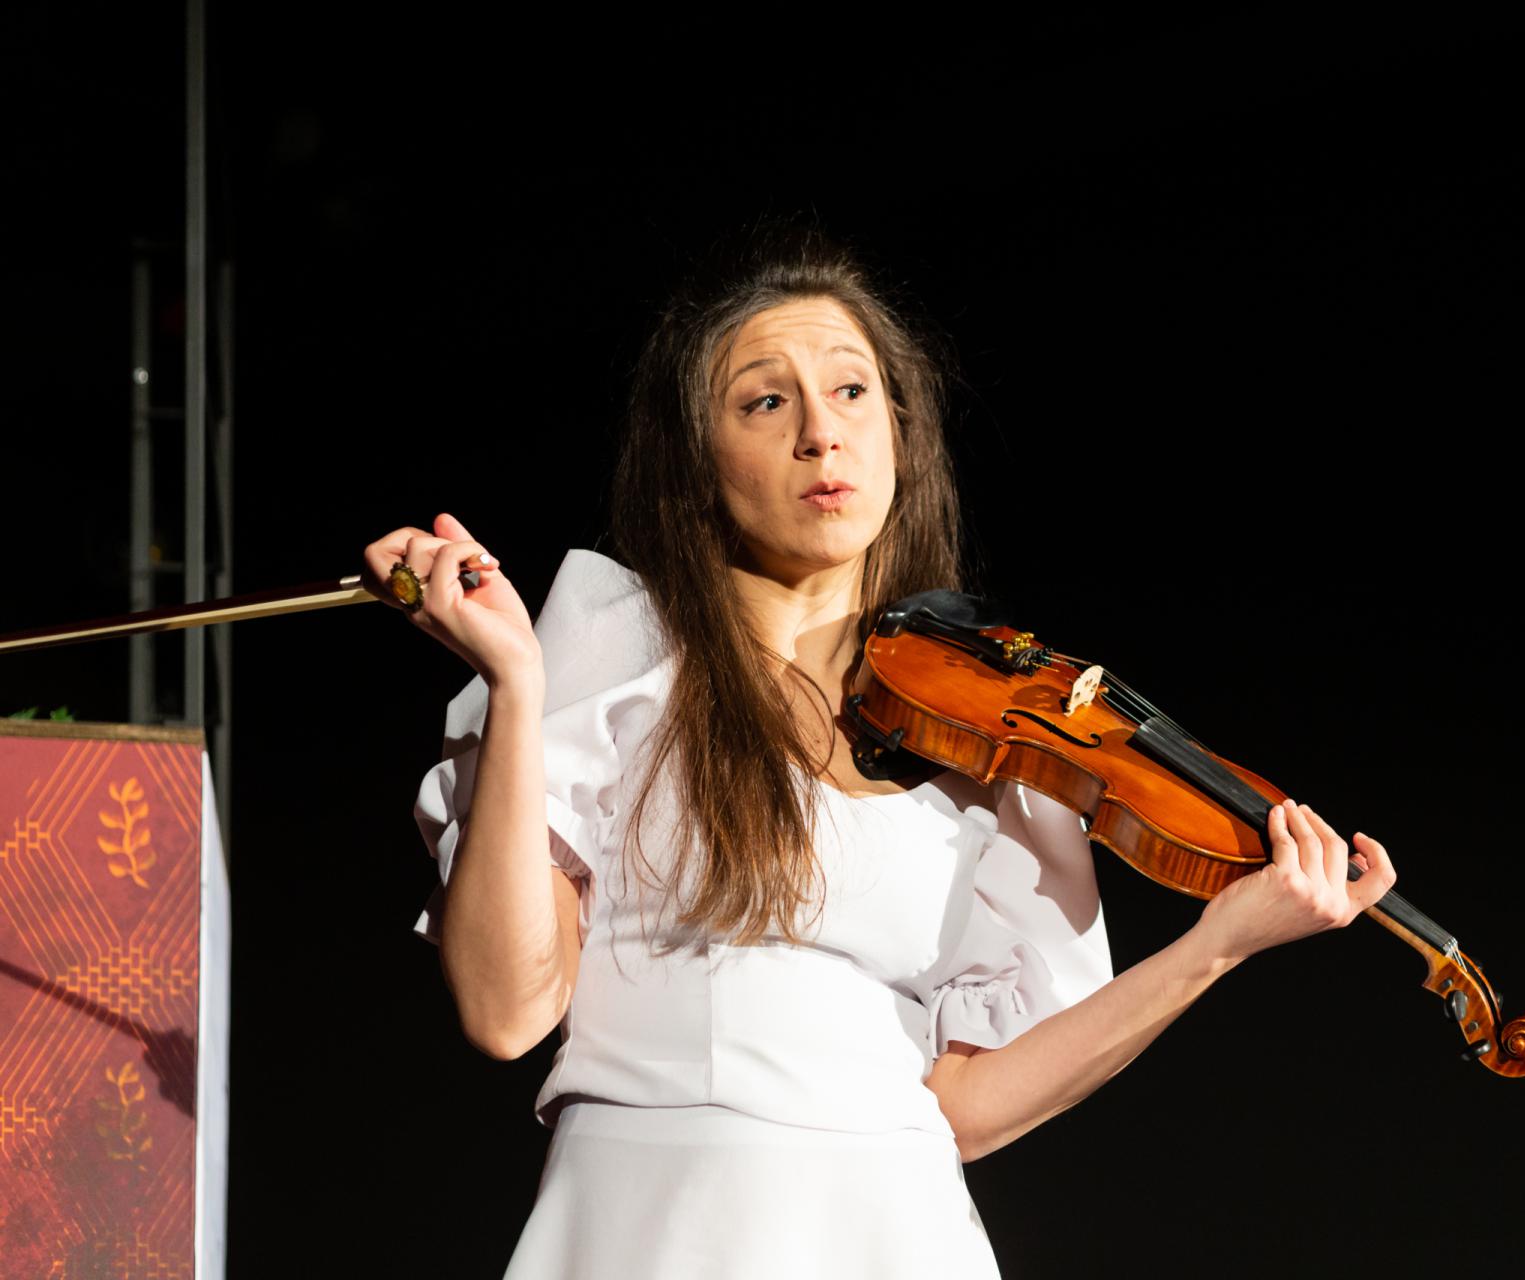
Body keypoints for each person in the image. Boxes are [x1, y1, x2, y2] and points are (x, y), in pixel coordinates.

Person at [364, 226, 1396, 1278]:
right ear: (694, 456)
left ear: (900, 434)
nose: (822, 434)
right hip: (652, 1217)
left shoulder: (987, 727)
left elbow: (969, 1106)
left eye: (852, 392)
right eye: (767, 402)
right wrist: (517, 682)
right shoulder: (612, 654)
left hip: (899, 1226)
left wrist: (1218, 944)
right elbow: (506, 1011)